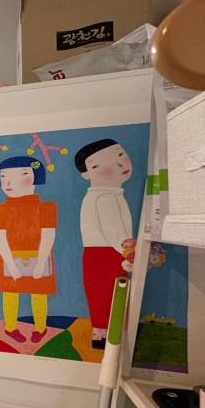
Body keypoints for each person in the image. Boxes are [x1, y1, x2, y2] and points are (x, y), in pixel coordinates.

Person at [74, 139, 134, 349]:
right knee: (108, 294)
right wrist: (130, 252)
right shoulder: (105, 197)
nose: (119, 164)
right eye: (100, 164)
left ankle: (103, 335)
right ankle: (107, 336)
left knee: (104, 294)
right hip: (107, 254)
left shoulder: (107, 195)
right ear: (86, 174)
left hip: (104, 254)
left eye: (120, 155)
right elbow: (114, 232)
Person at [0, 156, 57, 344]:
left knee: (39, 294)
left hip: (40, 256)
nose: (8, 182)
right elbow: (0, 239)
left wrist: (41, 263)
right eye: (3, 176)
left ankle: (40, 329)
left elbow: (48, 236)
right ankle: (10, 328)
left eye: (21, 174)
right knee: (10, 294)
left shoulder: (47, 207)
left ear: (36, 177)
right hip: (9, 258)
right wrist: (11, 264)